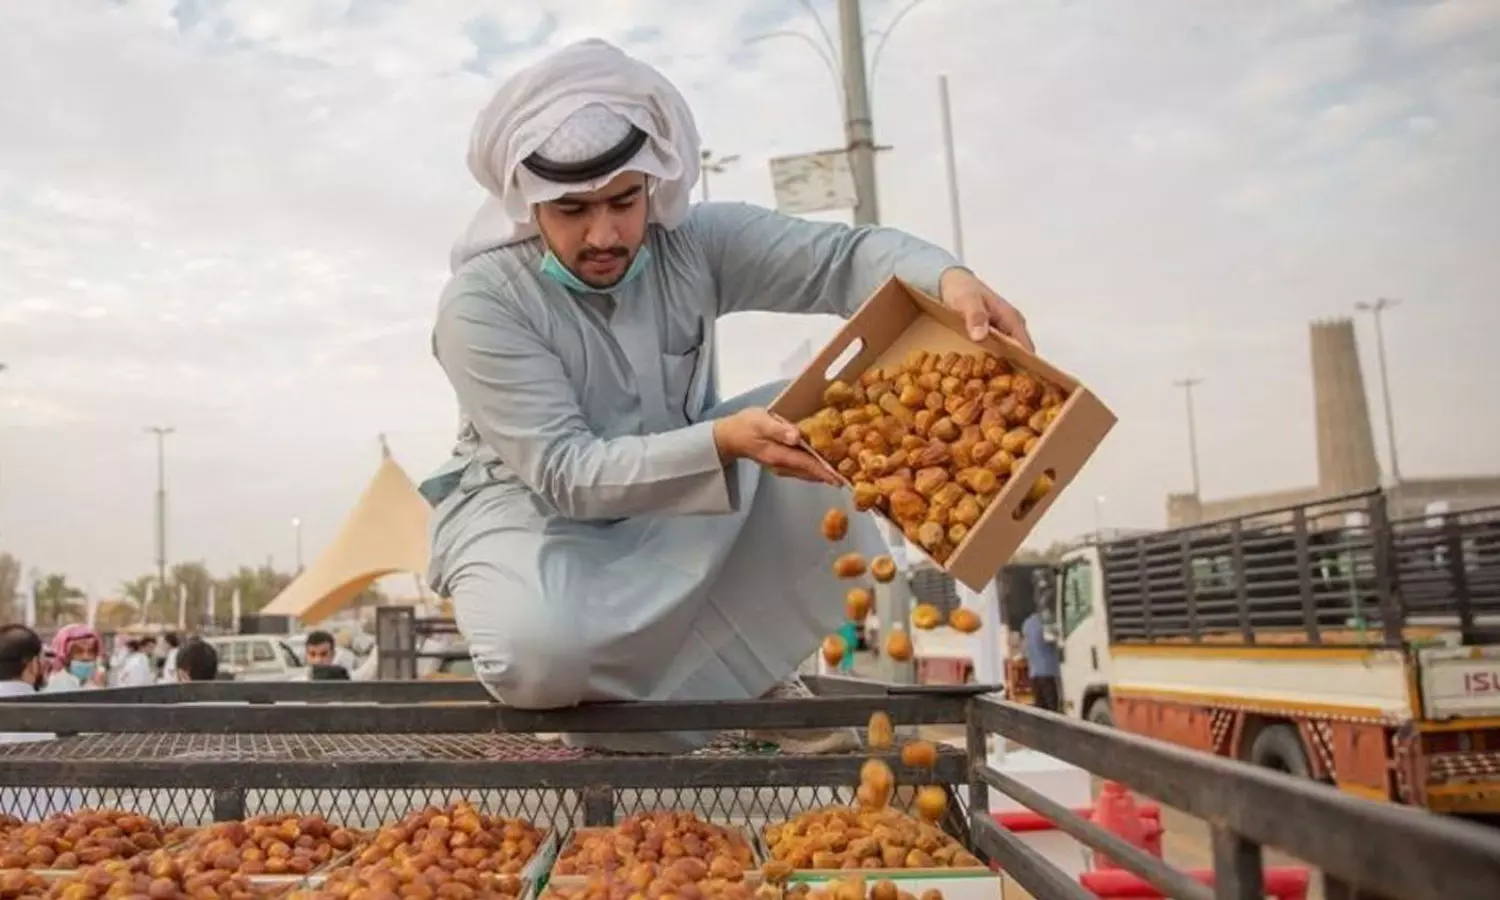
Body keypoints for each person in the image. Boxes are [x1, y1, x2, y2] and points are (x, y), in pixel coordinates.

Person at [423, 39, 1034, 754]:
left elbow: (841, 260)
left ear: (654, 182)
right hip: (533, 515)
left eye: (624, 201)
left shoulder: (691, 246)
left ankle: (747, 686)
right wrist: (721, 441)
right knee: (536, 653)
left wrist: (947, 279)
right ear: (528, 208)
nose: (605, 234)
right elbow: (568, 471)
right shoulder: (481, 304)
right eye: (572, 211)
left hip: (680, 495)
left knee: (829, 420)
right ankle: (587, 718)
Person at [1021, 608, 1062, 713]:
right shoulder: (1046, 622)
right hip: (1048, 671)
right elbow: (1055, 640)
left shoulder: (1027, 624)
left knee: (1040, 709)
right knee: (1053, 708)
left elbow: (1024, 650)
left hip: (1034, 674)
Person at [44, 624, 106, 692]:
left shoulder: (95, 684)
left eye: (91, 651)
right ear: (65, 655)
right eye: (78, 651)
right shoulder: (56, 686)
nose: (86, 657)